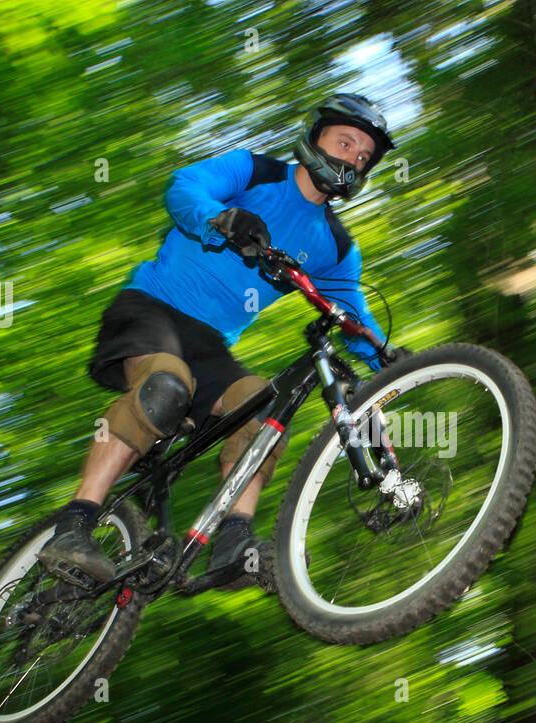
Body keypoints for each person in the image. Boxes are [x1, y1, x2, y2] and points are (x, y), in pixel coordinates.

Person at [38, 93, 396, 590]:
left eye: (364, 156)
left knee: (262, 410)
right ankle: (74, 526)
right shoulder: (254, 172)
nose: (353, 158)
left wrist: (388, 355)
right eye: (345, 141)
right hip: (151, 306)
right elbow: (186, 186)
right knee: (166, 385)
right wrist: (220, 218)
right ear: (314, 138)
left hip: (210, 345)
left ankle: (232, 541)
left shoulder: (334, 246)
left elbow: (351, 311)